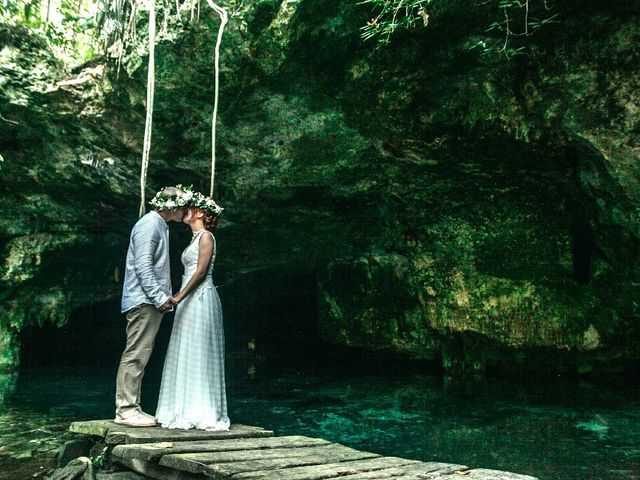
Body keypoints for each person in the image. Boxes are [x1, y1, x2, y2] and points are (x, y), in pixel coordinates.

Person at [114, 186, 190, 427]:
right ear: (172, 206)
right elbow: (143, 266)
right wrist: (160, 298)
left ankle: (131, 406)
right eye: (183, 205)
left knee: (141, 353)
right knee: (136, 353)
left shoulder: (158, 224)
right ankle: (125, 409)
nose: (185, 211)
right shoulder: (150, 224)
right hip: (144, 300)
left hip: (148, 300)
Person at [155, 190, 230, 431]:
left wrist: (178, 296)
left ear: (201, 213)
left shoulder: (206, 236)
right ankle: (182, 407)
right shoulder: (195, 238)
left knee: (198, 348)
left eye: (192, 208)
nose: (186, 211)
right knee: (185, 348)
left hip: (199, 298)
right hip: (189, 299)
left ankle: (201, 409)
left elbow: (199, 273)